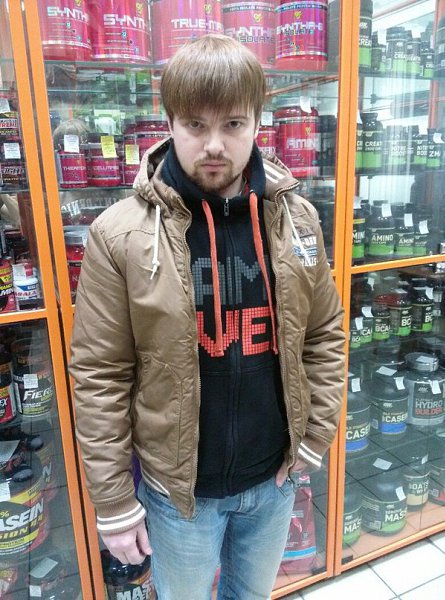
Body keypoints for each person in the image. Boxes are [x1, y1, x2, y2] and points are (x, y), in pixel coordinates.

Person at [70, 34, 345, 600]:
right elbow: (99, 374)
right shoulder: (119, 234)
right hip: (178, 496)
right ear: (169, 123)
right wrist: (114, 501)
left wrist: (315, 435)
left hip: (273, 481)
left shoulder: (297, 220)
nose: (214, 145)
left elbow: (324, 335)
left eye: (233, 124)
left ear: (257, 124)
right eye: (195, 125)